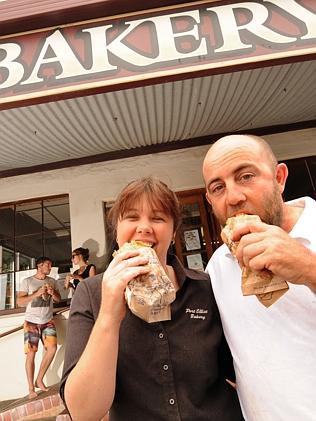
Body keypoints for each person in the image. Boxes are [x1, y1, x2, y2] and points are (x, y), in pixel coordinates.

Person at [60, 177, 243, 421]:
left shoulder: (204, 287)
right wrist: (109, 315)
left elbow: (242, 369)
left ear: (174, 231)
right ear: (117, 228)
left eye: (158, 218)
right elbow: (84, 413)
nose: (144, 227)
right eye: (132, 217)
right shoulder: (91, 293)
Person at [202, 134, 316, 421]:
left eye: (246, 176)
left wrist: (308, 268)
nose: (234, 197)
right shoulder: (217, 268)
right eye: (218, 188)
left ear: (279, 177)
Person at [17, 256, 61, 399]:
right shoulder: (27, 281)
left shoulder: (52, 281)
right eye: (48, 265)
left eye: (50, 265)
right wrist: (36, 293)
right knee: (31, 354)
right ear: (39, 266)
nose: (50, 267)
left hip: (47, 321)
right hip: (31, 322)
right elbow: (20, 302)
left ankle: (39, 379)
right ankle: (31, 388)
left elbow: (58, 299)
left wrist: (52, 292)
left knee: (52, 349)